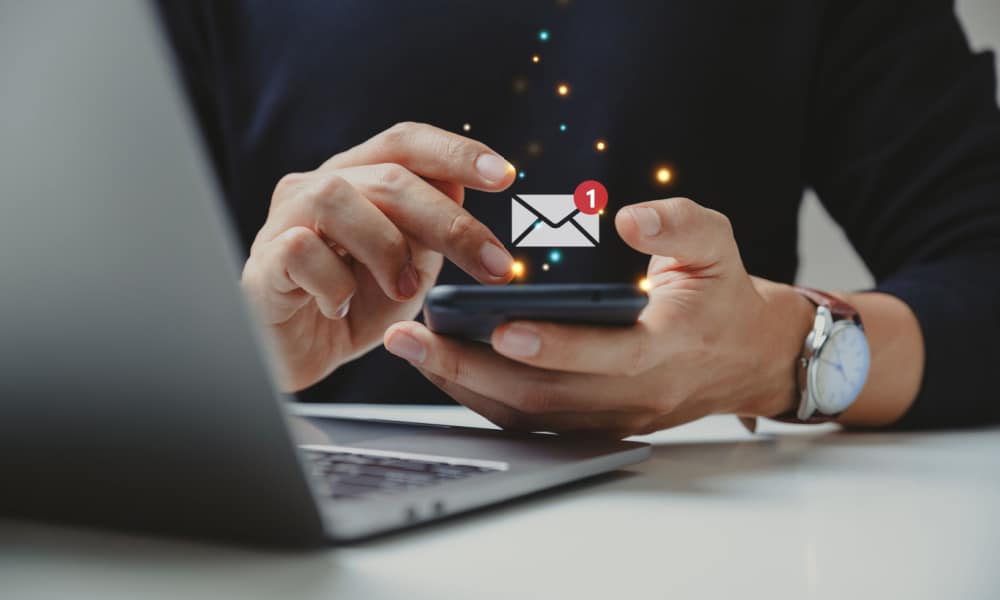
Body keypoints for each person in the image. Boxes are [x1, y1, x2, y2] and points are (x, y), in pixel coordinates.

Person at [158, 1, 1000, 436]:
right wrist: (234, 361)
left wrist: (782, 356)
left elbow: (982, 267)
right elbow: (75, 307)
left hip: (712, 541)